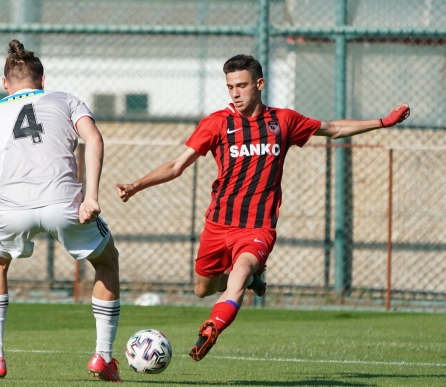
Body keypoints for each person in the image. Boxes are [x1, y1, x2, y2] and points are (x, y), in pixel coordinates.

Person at [116, 54, 410, 362]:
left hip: (258, 227)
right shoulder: (217, 123)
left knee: (240, 271)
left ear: (259, 84)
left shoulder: (283, 121)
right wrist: (137, 185)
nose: (235, 93)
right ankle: (252, 282)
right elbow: (177, 166)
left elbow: (333, 128)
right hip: (218, 225)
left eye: (241, 85)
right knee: (203, 289)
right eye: (230, 86)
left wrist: (383, 122)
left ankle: (212, 327)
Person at [0, 39, 122, 383]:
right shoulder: (66, 99)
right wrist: (91, 197)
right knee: (107, 260)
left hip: (12, 209)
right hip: (65, 203)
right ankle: (103, 356)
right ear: (43, 81)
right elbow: (95, 140)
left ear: (4, 85)